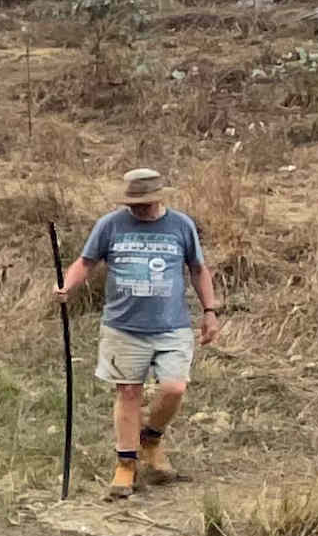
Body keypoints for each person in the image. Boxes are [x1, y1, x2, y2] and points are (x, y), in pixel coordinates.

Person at [60, 165, 221, 497]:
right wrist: (67, 286)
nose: (139, 209)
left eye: (145, 203)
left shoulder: (181, 225)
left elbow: (198, 269)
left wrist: (210, 311)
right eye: (134, 203)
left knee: (174, 388)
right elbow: (86, 262)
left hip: (171, 326)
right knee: (128, 392)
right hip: (122, 326)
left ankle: (151, 437)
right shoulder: (110, 225)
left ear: (158, 198)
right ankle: (126, 464)